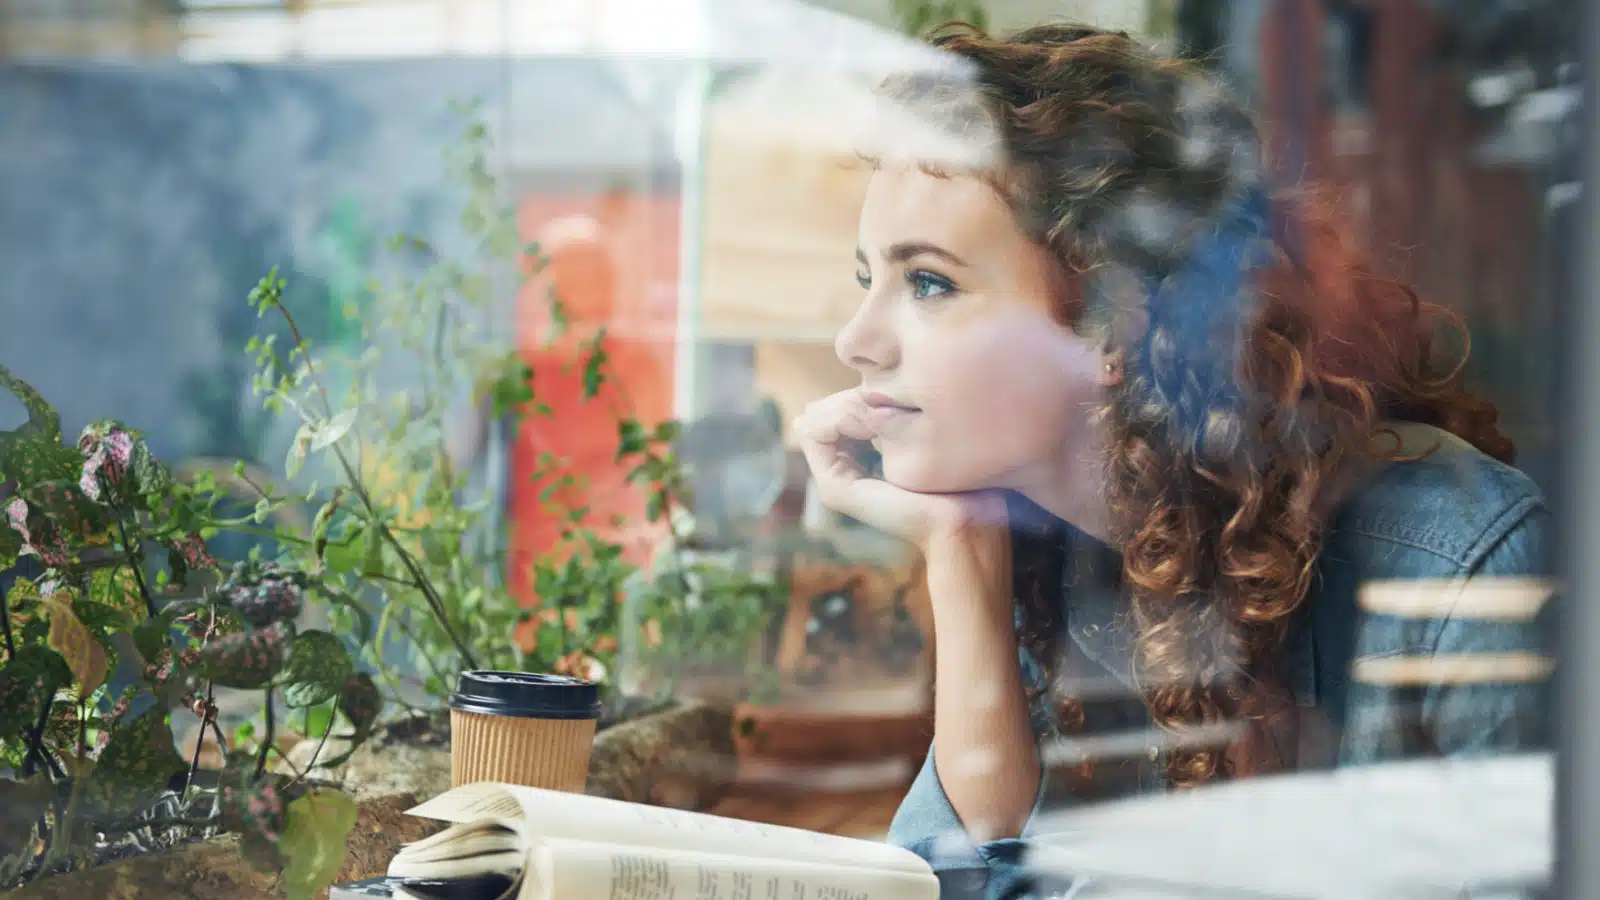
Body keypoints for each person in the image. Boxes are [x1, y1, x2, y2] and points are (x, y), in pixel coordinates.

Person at [793, 22, 1553, 900]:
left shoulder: (1453, 565)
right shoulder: (1043, 546)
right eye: (868, 280)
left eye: (929, 283)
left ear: (1114, 321)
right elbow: (954, 882)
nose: (856, 342)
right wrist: (959, 545)